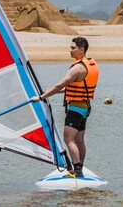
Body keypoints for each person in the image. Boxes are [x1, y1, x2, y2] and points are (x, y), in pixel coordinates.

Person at [30, 36, 99, 177]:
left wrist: (41, 97)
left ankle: (77, 170)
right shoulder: (90, 65)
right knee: (79, 140)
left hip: (75, 108)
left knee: (68, 139)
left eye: (73, 48)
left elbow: (60, 85)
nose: (70, 50)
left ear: (81, 50)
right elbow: (71, 87)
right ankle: (80, 166)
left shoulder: (77, 68)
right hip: (85, 107)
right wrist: (49, 93)